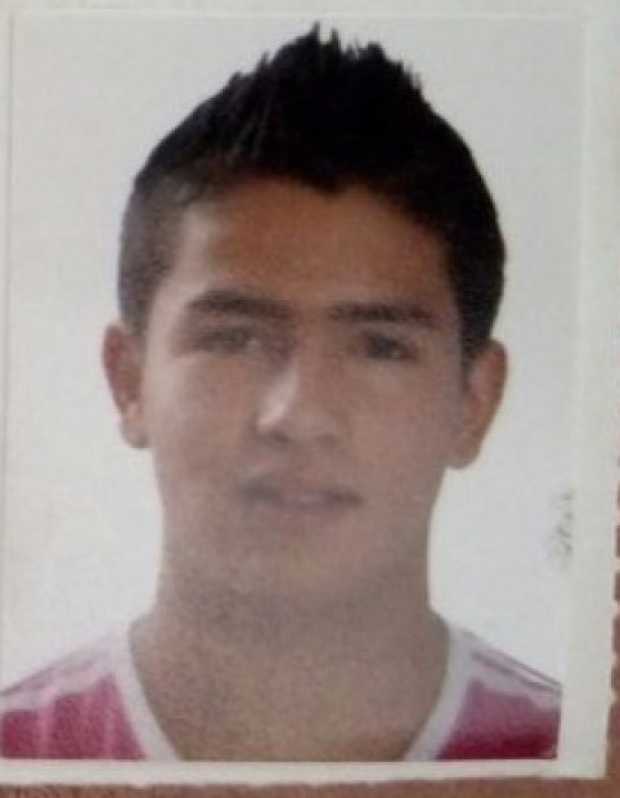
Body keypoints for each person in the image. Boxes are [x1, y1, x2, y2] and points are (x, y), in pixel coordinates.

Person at [0, 26, 560, 761]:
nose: (298, 415)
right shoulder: (16, 755)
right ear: (129, 380)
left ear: (475, 403)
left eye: (380, 347)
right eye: (235, 338)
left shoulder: (573, 754)